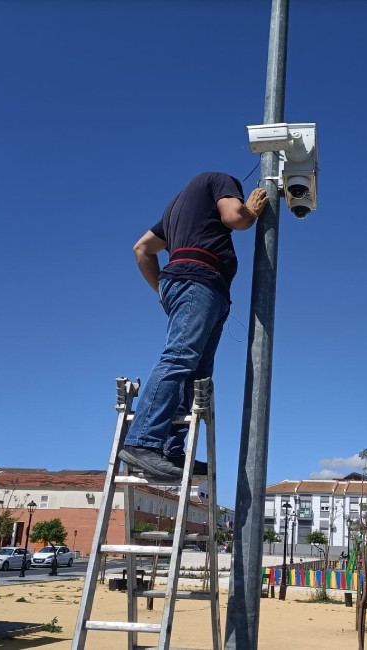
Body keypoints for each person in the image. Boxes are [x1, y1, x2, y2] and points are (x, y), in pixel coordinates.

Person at [118, 171, 268, 480]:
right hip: (198, 281)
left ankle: (171, 451)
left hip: (198, 286)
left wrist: (162, 291)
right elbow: (234, 217)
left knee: (196, 373)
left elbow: (141, 249)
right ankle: (142, 442)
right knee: (180, 359)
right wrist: (250, 211)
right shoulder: (219, 179)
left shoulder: (175, 209)